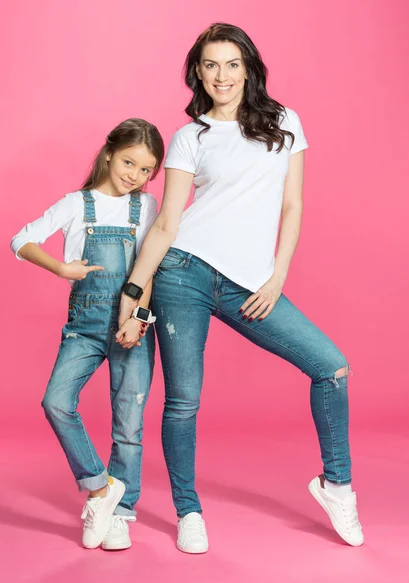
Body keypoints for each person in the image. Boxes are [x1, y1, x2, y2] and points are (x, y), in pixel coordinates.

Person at [117, 23, 364, 552]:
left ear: (248, 67)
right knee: (183, 401)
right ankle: (188, 511)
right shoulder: (190, 137)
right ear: (197, 72)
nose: (221, 75)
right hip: (184, 271)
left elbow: (293, 205)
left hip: (252, 283)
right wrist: (133, 294)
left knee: (331, 366)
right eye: (210, 65)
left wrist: (277, 277)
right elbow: (167, 224)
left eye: (231, 64)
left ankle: (336, 484)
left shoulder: (284, 122)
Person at [11, 118, 164, 550]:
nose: (134, 175)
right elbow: (20, 240)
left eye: (146, 170)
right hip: (84, 325)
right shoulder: (77, 204)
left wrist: (138, 317)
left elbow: (147, 266)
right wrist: (61, 267)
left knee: (128, 426)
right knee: (57, 402)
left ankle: (122, 513)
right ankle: (101, 488)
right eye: (129, 162)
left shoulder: (147, 208)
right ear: (110, 152)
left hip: (132, 324)